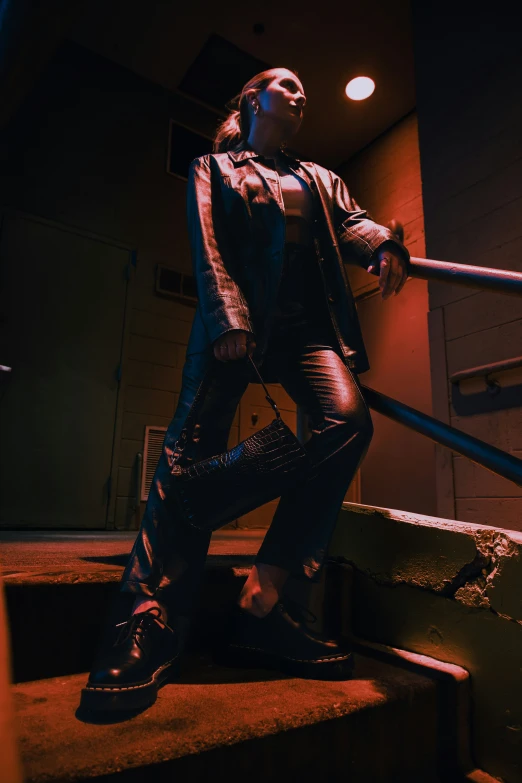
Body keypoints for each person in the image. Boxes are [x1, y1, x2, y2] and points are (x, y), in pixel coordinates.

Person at [81, 67, 409, 712]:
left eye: (302, 88)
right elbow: (209, 246)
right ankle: (147, 620)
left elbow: (354, 224)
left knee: (349, 423)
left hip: (309, 332)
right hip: (234, 326)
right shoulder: (214, 167)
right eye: (284, 84)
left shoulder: (319, 176)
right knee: (186, 454)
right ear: (253, 99)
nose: (300, 92)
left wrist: (386, 245)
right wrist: (229, 317)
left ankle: (267, 597)